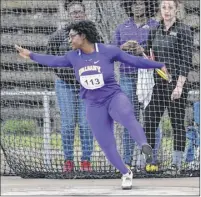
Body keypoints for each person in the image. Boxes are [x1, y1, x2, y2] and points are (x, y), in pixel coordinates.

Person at [15, 20, 167, 189]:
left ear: (83, 36)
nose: (69, 40)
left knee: (127, 116)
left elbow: (134, 61)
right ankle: (125, 173)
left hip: (113, 96)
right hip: (94, 105)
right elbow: (52, 61)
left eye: (72, 36)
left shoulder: (107, 51)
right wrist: (30, 55)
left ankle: (144, 145)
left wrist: (159, 64)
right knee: (106, 144)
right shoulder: (72, 56)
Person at [143, 0, 193, 175]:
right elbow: (147, 51)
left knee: (177, 124)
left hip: (176, 85)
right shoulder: (155, 29)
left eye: (170, 7)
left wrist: (179, 87)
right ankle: (150, 161)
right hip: (157, 85)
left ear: (176, 9)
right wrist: (149, 60)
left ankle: (176, 165)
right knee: (149, 121)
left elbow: (186, 61)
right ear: (160, 9)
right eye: (164, 7)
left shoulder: (184, 30)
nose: (167, 11)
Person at [112, 0, 161, 170]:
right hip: (127, 76)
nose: (138, 7)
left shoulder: (156, 25)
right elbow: (112, 53)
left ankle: (151, 160)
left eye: (141, 3)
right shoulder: (121, 27)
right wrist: (122, 48)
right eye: (134, 4)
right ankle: (127, 161)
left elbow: (160, 51)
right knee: (128, 118)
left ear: (147, 6)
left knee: (151, 119)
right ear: (129, 7)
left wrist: (143, 51)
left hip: (148, 76)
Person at [46, 0, 94, 172]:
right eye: (73, 12)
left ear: (85, 13)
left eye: (80, 12)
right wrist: (62, 72)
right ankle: (68, 161)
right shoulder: (58, 36)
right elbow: (49, 58)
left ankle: (86, 161)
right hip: (64, 85)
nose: (77, 14)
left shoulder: (93, 35)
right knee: (67, 124)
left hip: (87, 87)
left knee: (86, 123)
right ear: (68, 14)